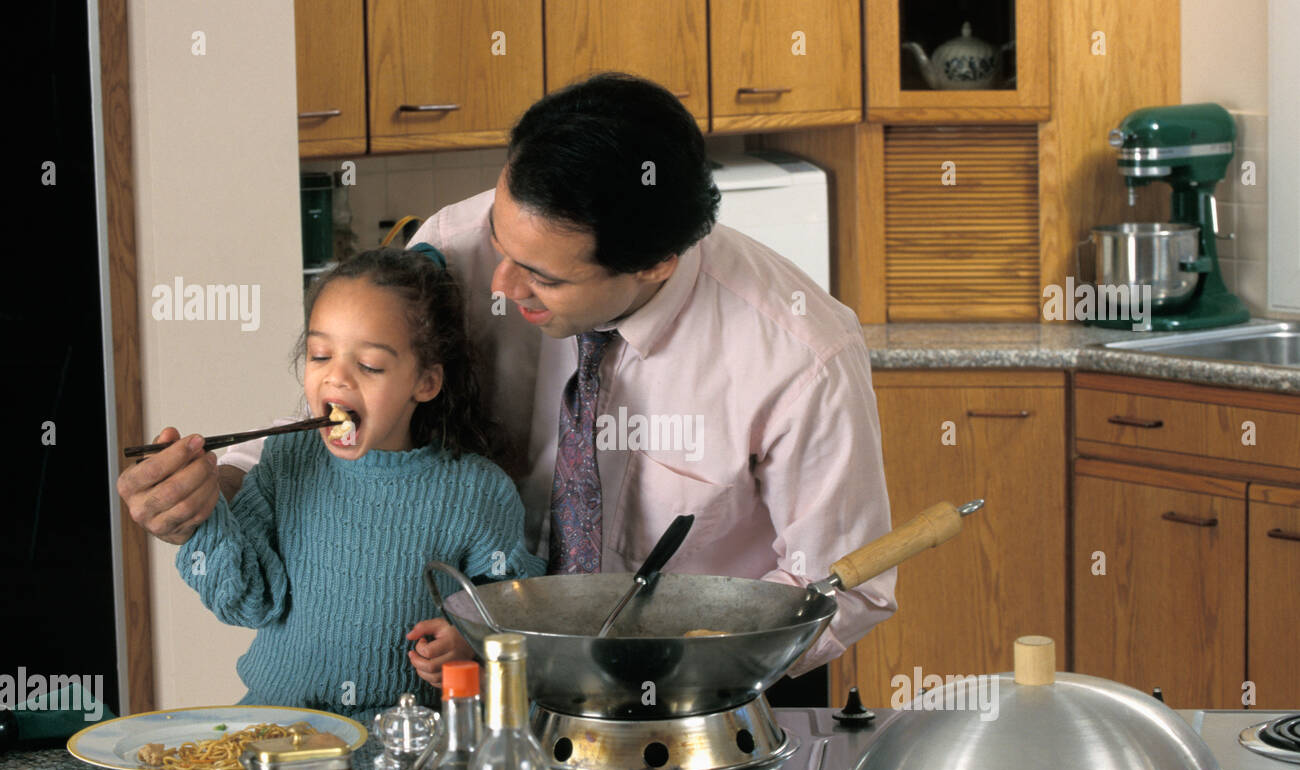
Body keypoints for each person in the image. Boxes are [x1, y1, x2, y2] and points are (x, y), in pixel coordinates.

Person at [118, 73, 895, 691]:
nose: (501, 280)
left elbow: (847, 585)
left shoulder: (801, 353)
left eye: (545, 277)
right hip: (480, 685)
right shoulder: (451, 251)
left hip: (704, 693)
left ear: (656, 264)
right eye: (500, 233)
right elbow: (353, 415)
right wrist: (213, 485)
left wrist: (662, 675)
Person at [136, 246, 544, 714]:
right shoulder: (288, 459)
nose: (337, 377)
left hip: (405, 745)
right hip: (280, 729)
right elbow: (246, 603)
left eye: (369, 365)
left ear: (426, 383)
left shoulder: (478, 491)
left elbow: (515, 624)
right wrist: (204, 516)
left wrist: (469, 644)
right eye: (319, 354)